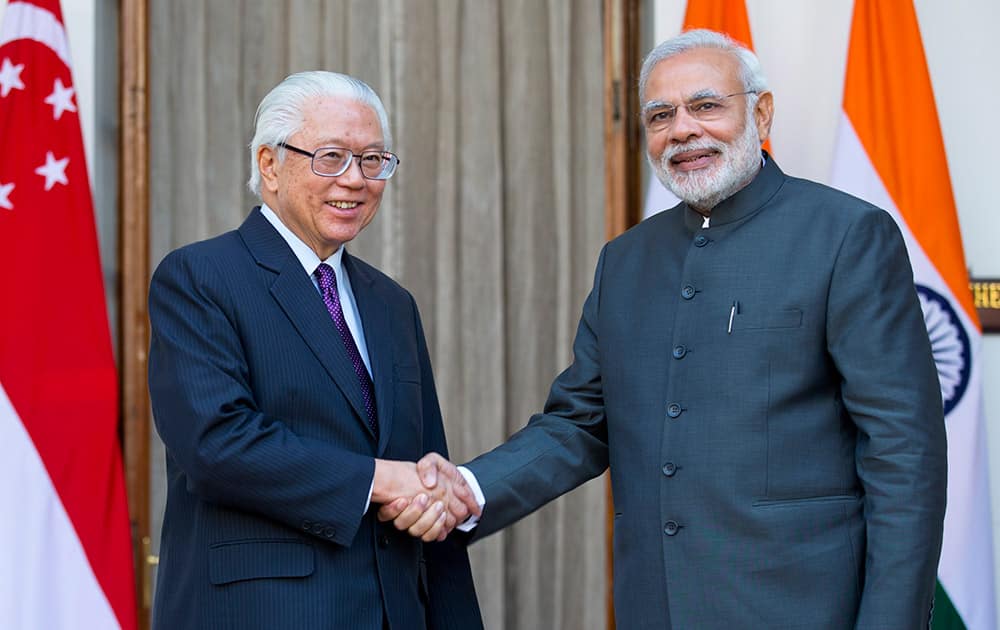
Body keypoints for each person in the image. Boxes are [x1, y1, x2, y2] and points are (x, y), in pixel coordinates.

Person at [384, 29, 947, 629]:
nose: (682, 130)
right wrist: (467, 489)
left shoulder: (845, 235)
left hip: (803, 608)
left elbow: (903, 451)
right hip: (657, 608)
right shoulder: (625, 260)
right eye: (660, 115)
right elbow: (580, 422)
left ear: (760, 112)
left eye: (706, 106)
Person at [148, 70, 483, 630]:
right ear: (269, 165)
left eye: (374, 159)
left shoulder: (391, 303)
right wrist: (380, 479)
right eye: (331, 156)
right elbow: (216, 444)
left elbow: (427, 477)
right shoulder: (201, 277)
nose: (355, 180)